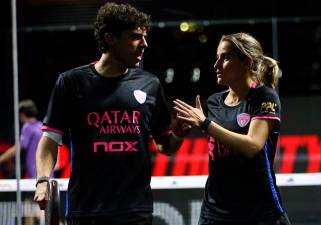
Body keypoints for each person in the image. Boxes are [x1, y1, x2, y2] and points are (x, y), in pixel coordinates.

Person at [34, 2, 187, 225]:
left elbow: (166, 145)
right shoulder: (71, 82)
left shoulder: (150, 84)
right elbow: (49, 141)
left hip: (135, 210)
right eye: (135, 37)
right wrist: (42, 180)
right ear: (110, 38)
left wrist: (180, 134)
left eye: (144, 37)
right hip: (85, 210)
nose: (144, 44)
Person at [173, 32, 291, 225]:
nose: (216, 65)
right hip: (214, 213)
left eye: (225, 58)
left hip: (259, 213)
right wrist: (181, 131)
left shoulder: (265, 97)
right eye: (217, 58)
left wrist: (205, 124)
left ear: (247, 63)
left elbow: (252, 146)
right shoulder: (214, 102)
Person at [0, 99, 42, 179]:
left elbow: (18, 148)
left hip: (33, 173)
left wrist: (1, 159)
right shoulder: (41, 126)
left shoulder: (27, 127)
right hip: (46, 173)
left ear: (22, 114)